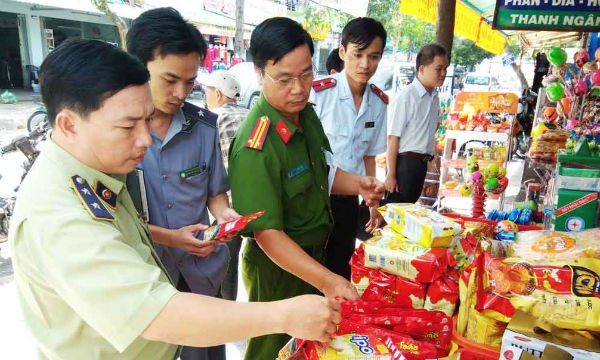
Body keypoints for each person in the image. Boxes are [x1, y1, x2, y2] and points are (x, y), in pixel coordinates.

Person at [9, 38, 342, 360]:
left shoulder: (97, 169)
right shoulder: (57, 214)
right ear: (68, 125)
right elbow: (157, 313)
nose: (144, 139)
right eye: (128, 127)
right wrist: (282, 315)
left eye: (146, 120)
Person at [228, 17, 385, 360]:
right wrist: (328, 280)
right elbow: (267, 233)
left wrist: (358, 183)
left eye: (305, 74)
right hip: (278, 269)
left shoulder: (306, 114)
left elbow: (322, 171)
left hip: (316, 253)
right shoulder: (256, 145)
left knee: (309, 346)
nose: (298, 88)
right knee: (273, 348)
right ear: (259, 73)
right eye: (284, 79)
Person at [126, 8, 239, 359]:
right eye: (170, 79)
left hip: (200, 273)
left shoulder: (204, 127)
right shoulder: (118, 132)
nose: (180, 93)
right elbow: (114, 218)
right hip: (145, 276)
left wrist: (224, 217)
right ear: (138, 67)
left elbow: (215, 194)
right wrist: (169, 238)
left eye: (190, 82)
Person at [311, 17, 387, 280]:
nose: (365, 64)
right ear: (343, 52)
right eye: (358, 54)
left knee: (341, 265)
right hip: (314, 196)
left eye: (373, 56)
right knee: (311, 266)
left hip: (347, 200)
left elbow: (369, 156)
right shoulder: (319, 94)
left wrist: (373, 204)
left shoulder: (378, 103)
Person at [200, 69, 249, 301]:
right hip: (257, 199)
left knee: (225, 262)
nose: (205, 96)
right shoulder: (251, 114)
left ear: (218, 94)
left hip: (228, 203)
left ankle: (226, 306)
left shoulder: (212, 118)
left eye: (207, 91)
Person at [385, 43, 449, 203]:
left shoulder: (434, 96)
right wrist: (390, 175)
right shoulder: (406, 97)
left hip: (421, 164)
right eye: (438, 69)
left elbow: (432, 128)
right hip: (404, 164)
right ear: (421, 69)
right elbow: (393, 138)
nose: (443, 73)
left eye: (445, 69)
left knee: (410, 211)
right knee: (396, 212)